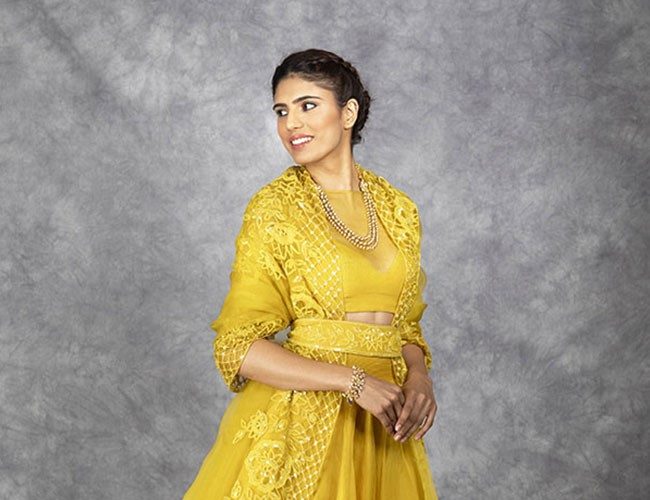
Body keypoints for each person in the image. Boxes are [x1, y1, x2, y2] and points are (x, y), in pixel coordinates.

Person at [184, 48, 439, 499]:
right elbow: (238, 348)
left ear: (348, 113)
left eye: (307, 106)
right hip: (305, 423)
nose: (291, 124)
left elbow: (405, 328)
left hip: (387, 428)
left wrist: (419, 378)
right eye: (282, 111)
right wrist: (353, 382)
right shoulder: (274, 208)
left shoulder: (399, 209)